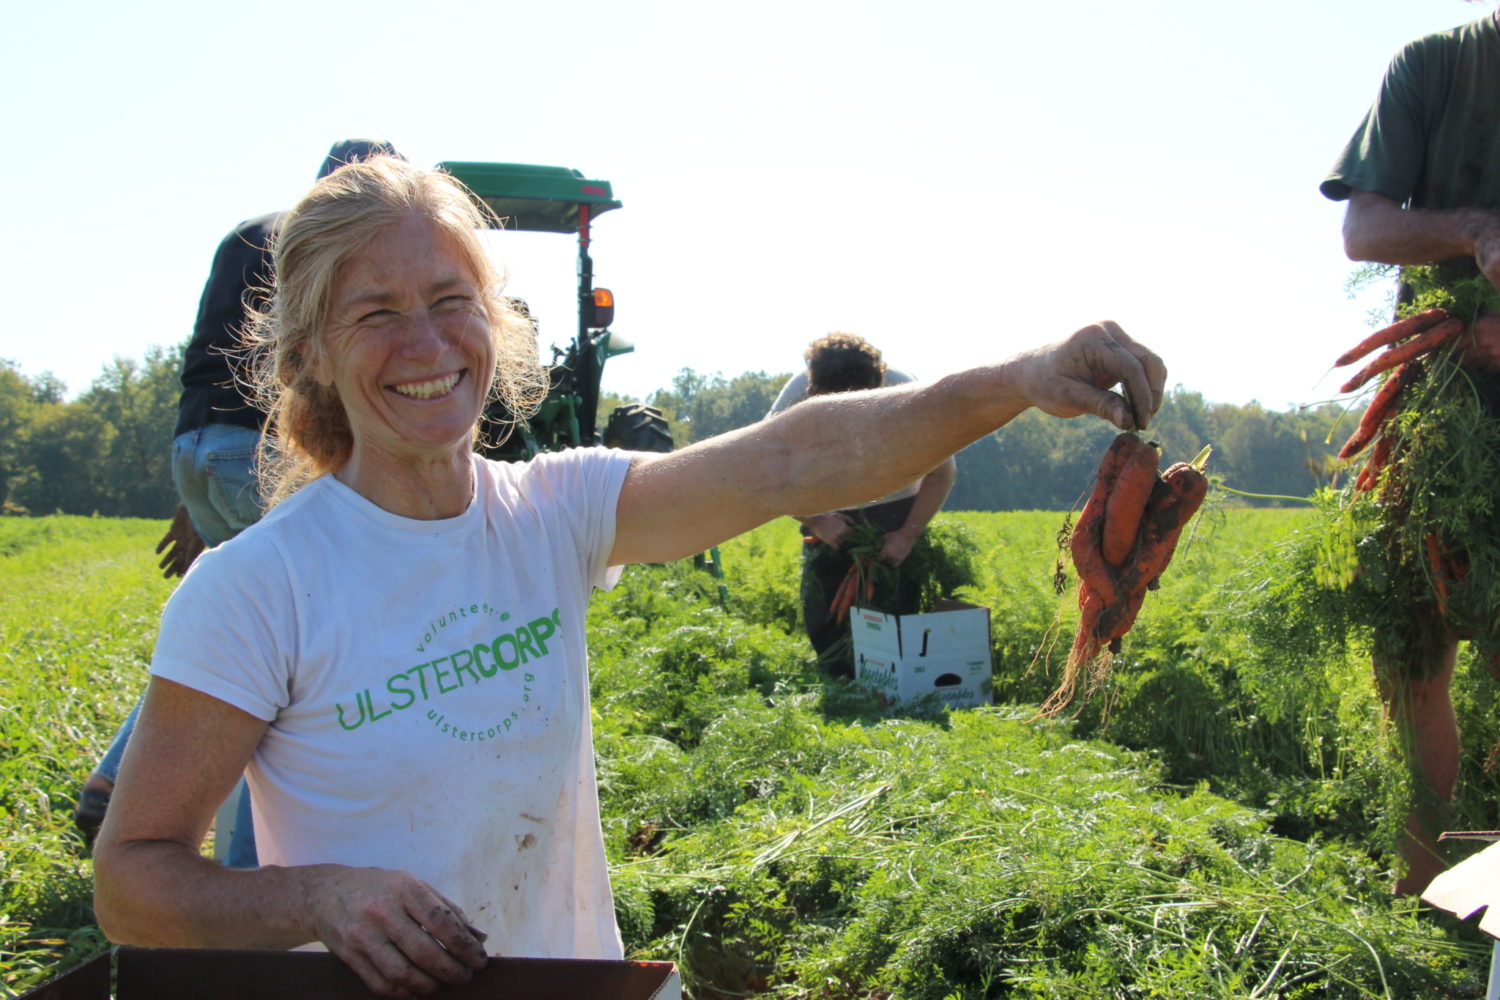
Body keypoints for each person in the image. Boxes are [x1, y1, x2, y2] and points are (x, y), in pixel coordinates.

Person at [90, 156, 1165, 998]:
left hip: (570, 984)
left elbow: (796, 456)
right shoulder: (258, 585)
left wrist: (1020, 378)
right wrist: (320, 898)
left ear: (497, 322)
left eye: (451, 298)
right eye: (374, 312)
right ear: (314, 352)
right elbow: (132, 880)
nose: (425, 342)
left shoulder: (552, 511)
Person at [73, 140, 403, 866]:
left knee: (238, 645)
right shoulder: (319, 245)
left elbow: (210, 359)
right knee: (300, 641)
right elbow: (289, 371)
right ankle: (259, 865)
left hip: (196, 448)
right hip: (252, 449)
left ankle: (116, 781)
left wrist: (194, 496)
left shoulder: (244, 233)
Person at [1321, 6, 1500, 896]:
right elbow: (1364, 230)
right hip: (1427, 419)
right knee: (1413, 659)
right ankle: (1422, 888)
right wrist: (1474, 232)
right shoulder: (1435, 66)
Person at [765, 333, 957, 677]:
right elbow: (766, 469)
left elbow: (943, 472)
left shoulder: (909, 398)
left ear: (874, 388)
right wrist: (818, 521)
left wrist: (906, 537)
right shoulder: (799, 393)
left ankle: (893, 686)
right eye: (822, 398)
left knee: (894, 605)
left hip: (896, 512)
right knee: (825, 612)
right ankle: (839, 684)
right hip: (827, 511)